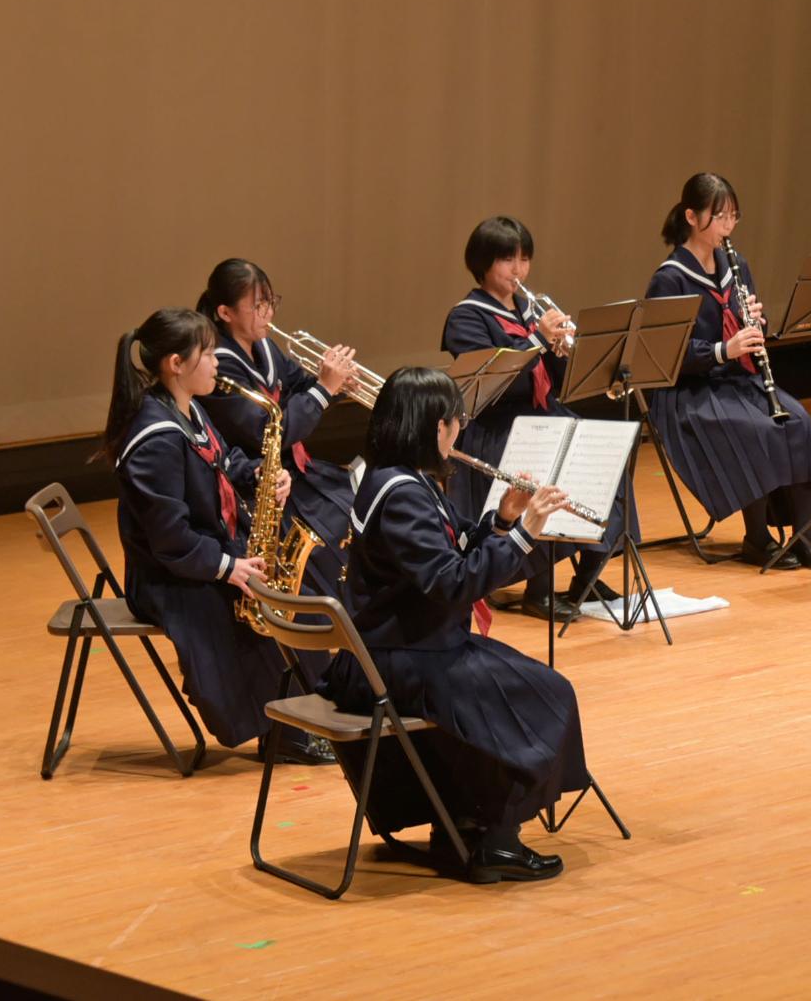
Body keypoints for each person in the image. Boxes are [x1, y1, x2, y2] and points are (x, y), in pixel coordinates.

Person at [318, 366, 586, 883]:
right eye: (456, 421)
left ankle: (464, 822)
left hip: (404, 646)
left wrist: (503, 520)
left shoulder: (400, 478)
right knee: (545, 695)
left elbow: (448, 548)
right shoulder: (401, 493)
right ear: (436, 427)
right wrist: (527, 536)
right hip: (399, 659)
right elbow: (453, 583)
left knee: (529, 685)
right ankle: (497, 839)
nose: (459, 430)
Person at [102, 307, 328, 761]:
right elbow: (170, 540)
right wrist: (230, 568)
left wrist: (264, 474)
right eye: (207, 352)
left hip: (200, 556)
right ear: (176, 364)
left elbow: (225, 463)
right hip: (170, 578)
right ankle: (278, 729)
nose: (216, 361)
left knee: (304, 581)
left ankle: (302, 714)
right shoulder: (156, 439)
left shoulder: (189, 409)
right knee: (250, 608)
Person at [643, 173, 811, 571]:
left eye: (733, 217)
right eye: (720, 217)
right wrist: (722, 350)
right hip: (690, 391)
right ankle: (757, 538)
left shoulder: (737, 265)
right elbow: (667, 357)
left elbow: (749, 333)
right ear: (692, 217)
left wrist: (756, 327)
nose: (728, 227)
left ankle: (804, 537)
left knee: (797, 421)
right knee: (756, 428)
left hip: (736, 381)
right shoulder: (670, 278)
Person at [441, 216, 629, 620]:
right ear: (484, 263)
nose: (519, 271)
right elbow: (495, 380)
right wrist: (538, 340)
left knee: (609, 456)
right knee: (548, 473)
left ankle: (588, 576)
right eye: (508, 260)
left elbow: (556, 382)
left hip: (545, 416)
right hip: (500, 428)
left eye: (524, 259)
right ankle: (537, 588)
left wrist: (563, 350)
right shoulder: (466, 317)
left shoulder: (531, 310)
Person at [195, 258, 355, 601]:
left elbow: (299, 386)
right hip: (260, 485)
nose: (268, 313)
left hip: (296, 471)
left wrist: (337, 381)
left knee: (359, 503)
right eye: (258, 306)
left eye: (270, 303)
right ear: (225, 313)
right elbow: (265, 430)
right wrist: (323, 390)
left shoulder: (265, 346)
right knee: (336, 530)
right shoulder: (219, 366)